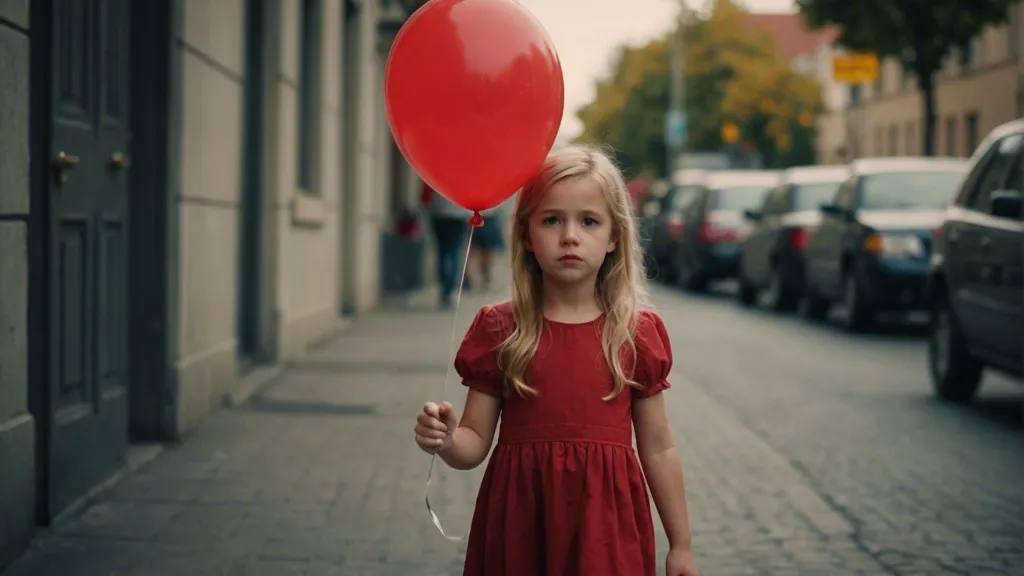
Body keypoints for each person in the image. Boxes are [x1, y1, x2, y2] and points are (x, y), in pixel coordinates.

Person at [413, 145, 700, 576]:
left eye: (589, 221)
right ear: (527, 235)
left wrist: (681, 544)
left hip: (606, 529)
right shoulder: (500, 329)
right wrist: (449, 440)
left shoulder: (635, 334)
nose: (570, 235)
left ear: (613, 238)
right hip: (520, 527)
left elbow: (658, 449)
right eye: (552, 220)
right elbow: (474, 441)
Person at [422, 181, 472, 308]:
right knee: (454, 252)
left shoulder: (436, 167)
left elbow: (425, 193)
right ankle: (448, 290)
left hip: (439, 213)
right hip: (458, 215)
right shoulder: (462, 172)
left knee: (442, 252)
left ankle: (444, 287)